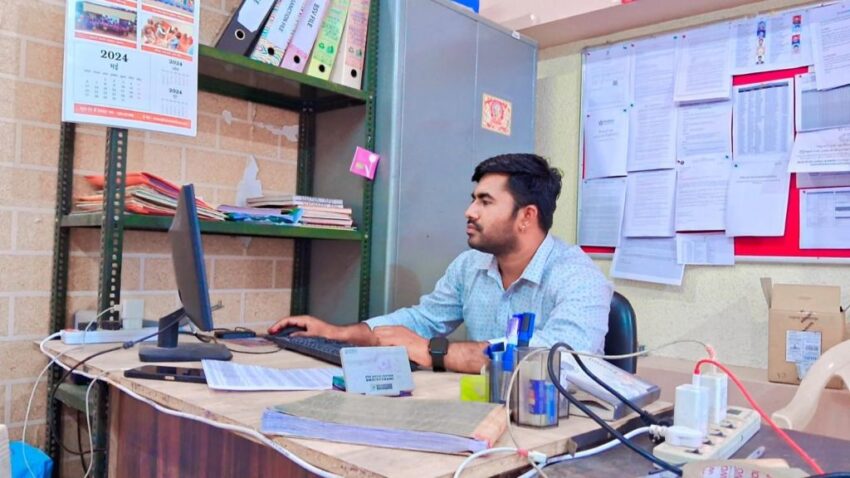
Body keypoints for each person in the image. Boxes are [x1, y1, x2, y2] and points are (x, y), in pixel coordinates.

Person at [268, 153, 613, 373]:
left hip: (551, 430)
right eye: (473, 199)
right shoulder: (470, 265)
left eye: (485, 202)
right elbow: (422, 321)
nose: (469, 211)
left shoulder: (577, 276)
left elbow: (563, 359)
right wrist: (338, 333)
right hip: (483, 413)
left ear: (526, 216)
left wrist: (434, 352)